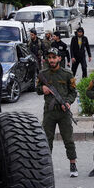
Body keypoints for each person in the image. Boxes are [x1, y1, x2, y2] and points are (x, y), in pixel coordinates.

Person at [37, 48, 79, 177]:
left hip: (63, 112)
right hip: (49, 112)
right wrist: (42, 88)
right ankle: (46, 166)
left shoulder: (67, 74)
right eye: (49, 57)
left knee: (68, 139)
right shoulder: (43, 73)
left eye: (54, 57)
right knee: (46, 140)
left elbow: (73, 92)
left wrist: (67, 102)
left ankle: (73, 164)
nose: (52, 60)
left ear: (59, 59)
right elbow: (37, 89)